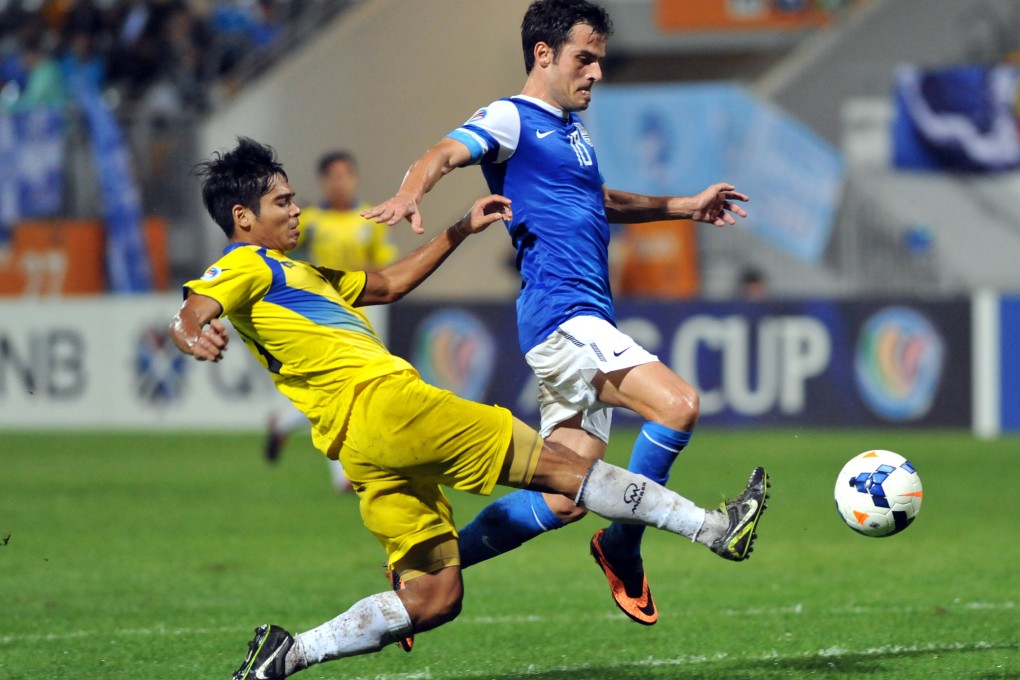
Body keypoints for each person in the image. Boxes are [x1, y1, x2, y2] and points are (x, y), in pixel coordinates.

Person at [170, 137, 769, 679]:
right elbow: (199, 301)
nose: (296, 209)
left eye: (294, 199)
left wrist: (459, 229)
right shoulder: (245, 263)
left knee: (435, 598)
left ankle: (289, 653)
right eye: (282, 202)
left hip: (358, 445)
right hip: (391, 405)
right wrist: (191, 328)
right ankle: (714, 530)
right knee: (564, 471)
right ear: (243, 217)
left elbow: (389, 284)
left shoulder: (297, 272)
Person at [364, 0, 759, 627]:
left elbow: (596, 200)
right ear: (543, 54)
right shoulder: (510, 117)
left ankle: (433, 567)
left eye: (599, 60)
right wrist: (412, 191)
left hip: (581, 316)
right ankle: (623, 545)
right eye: (585, 58)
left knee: (563, 496)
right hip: (563, 316)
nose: (596, 72)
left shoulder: (571, 135)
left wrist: (684, 205)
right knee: (678, 405)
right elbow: (444, 151)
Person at [263, 150, 397, 493]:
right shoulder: (308, 220)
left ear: (355, 179)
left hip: (359, 316)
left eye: (346, 176)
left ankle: (284, 422)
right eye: (333, 177)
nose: (340, 183)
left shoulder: (369, 219)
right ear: (324, 181)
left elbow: (382, 266)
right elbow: (278, 254)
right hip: (318, 315)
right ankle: (344, 476)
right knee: (343, 393)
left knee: (344, 394)